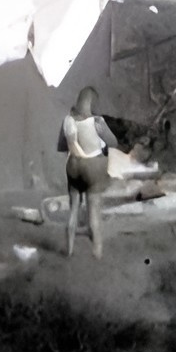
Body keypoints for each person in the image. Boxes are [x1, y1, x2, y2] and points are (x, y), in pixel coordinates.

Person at [57, 87, 118, 258]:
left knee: (73, 210)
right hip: (93, 167)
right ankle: (97, 253)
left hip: (73, 167)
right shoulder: (97, 121)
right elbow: (113, 142)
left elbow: (62, 146)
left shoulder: (68, 120)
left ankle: (69, 250)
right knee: (93, 212)